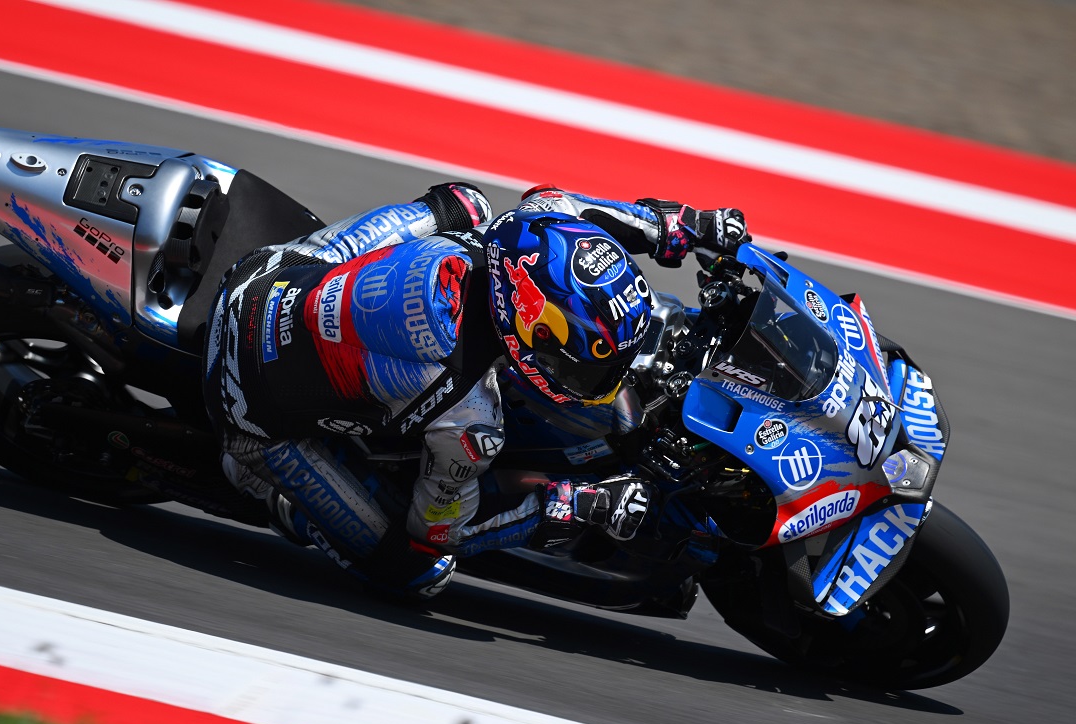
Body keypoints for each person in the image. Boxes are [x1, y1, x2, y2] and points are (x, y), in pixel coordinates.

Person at [202, 182, 749, 599]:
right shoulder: (470, 416)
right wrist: (575, 503)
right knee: (419, 570)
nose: (591, 381)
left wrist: (682, 224)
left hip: (270, 273)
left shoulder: (532, 229)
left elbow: (570, 211)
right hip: (248, 404)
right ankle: (262, 488)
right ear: (529, 325)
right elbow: (440, 531)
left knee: (465, 205)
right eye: (581, 367)